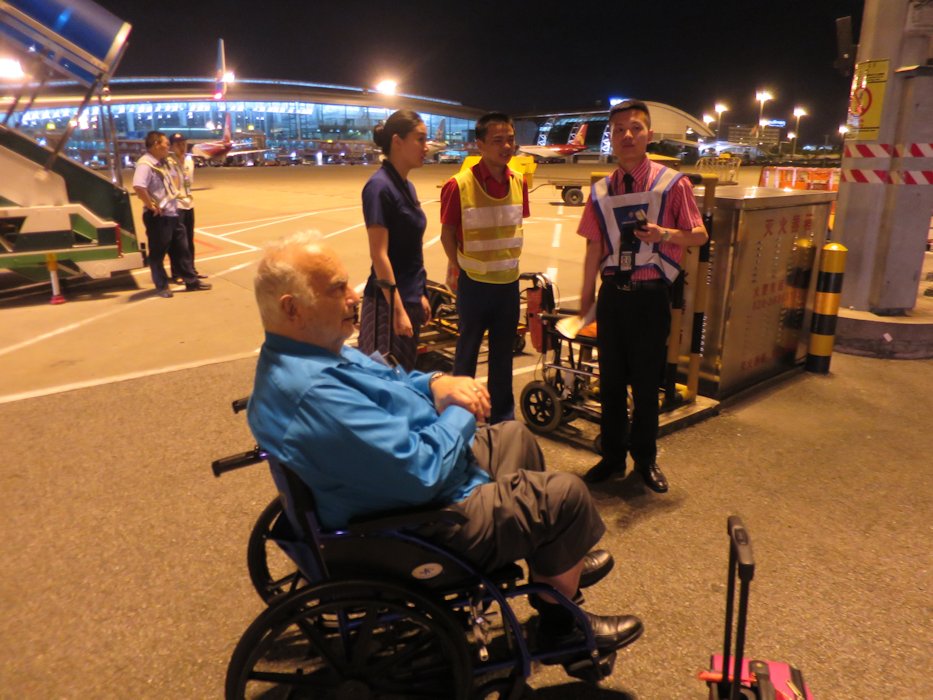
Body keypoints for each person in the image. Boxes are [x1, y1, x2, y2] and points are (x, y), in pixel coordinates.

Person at [247, 232, 643, 660]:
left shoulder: (316, 353)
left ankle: (553, 563)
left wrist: (437, 382)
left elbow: (393, 380)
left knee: (514, 437)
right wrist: (460, 408)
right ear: (292, 308)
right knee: (564, 496)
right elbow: (421, 471)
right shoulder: (315, 393)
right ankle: (561, 631)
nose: (353, 294)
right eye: (337, 288)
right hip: (415, 523)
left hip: (403, 486)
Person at [576, 100, 708, 491]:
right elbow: (593, 246)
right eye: (619, 130)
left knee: (647, 384)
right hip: (614, 295)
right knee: (612, 382)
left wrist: (665, 234)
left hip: (651, 296)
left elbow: (699, 235)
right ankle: (612, 457)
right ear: (612, 138)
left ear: (649, 135)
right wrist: (587, 296)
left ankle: (645, 460)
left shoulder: (672, 184)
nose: (627, 136)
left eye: (635, 128)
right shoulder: (601, 190)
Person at [440, 113, 529, 423]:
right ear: (480, 145)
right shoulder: (458, 185)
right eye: (497, 141)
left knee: (502, 358)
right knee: (466, 354)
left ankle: (502, 418)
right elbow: (447, 233)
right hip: (474, 284)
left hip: (508, 285)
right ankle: (458, 417)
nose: (506, 146)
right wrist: (455, 267)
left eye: (510, 139)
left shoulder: (519, 181)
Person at [357, 110, 431, 370]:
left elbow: (411, 250)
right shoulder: (379, 187)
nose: (426, 147)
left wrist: (420, 293)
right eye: (420, 139)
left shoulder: (406, 186)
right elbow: (379, 255)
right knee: (384, 384)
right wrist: (398, 310)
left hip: (409, 299)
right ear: (397, 141)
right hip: (386, 306)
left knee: (404, 378)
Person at [132, 131, 211, 298]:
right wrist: (151, 205)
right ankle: (162, 286)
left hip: (173, 213)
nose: (168, 146)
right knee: (158, 253)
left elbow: (175, 178)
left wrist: (174, 193)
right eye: (166, 143)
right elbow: (138, 186)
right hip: (159, 217)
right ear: (156, 145)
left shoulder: (162, 162)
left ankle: (191, 281)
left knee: (182, 249)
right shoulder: (145, 164)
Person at [166, 133, 207, 283]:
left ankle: (191, 270)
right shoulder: (169, 162)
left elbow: (190, 181)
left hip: (189, 204)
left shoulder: (189, 160)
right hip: (176, 206)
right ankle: (177, 273)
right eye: (177, 144)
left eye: (183, 143)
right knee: (178, 242)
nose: (181, 147)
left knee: (189, 240)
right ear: (171, 146)